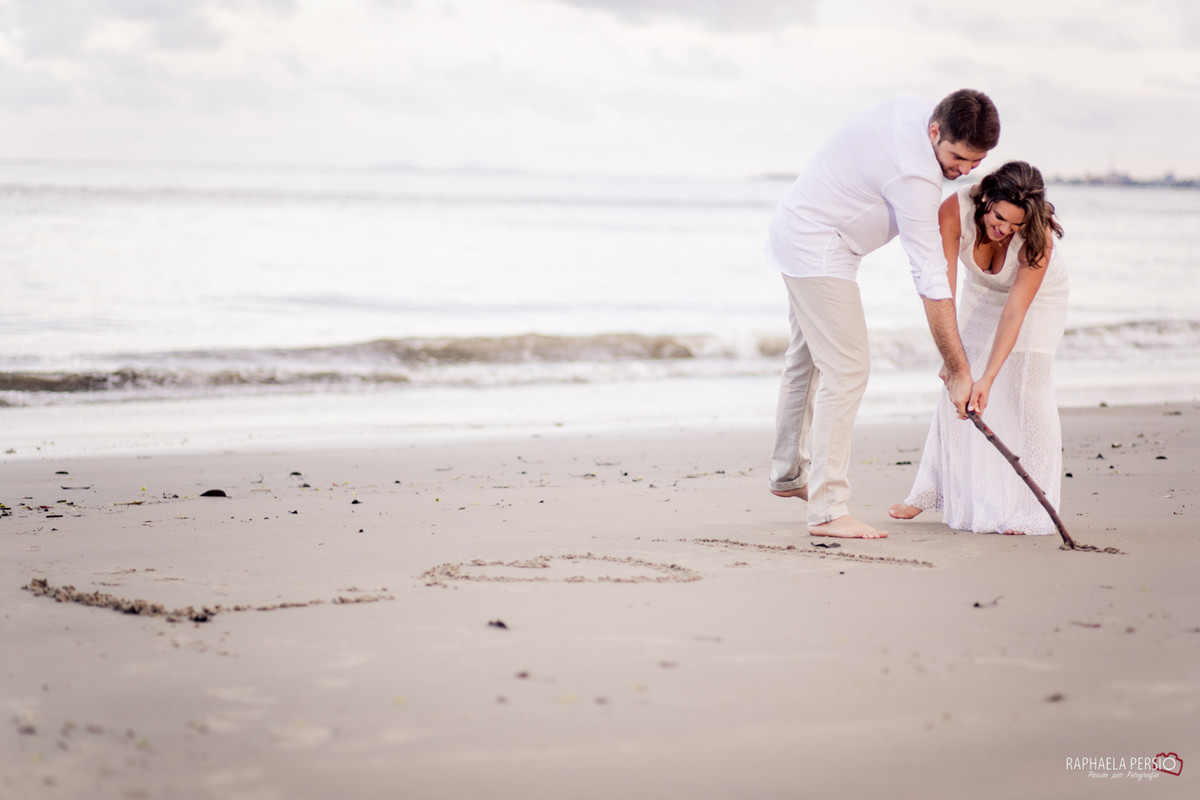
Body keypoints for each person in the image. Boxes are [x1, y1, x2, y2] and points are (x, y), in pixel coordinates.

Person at [765, 89, 1000, 539]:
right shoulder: (915, 175)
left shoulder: (924, 113)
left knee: (808, 358)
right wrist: (957, 369)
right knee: (848, 369)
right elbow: (931, 278)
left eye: (975, 162)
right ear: (935, 131)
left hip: (802, 231)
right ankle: (828, 510)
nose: (965, 171)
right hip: (817, 247)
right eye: (957, 157)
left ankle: (789, 473)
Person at [888, 161, 1068, 535]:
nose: (1003, 230)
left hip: (1037, 301)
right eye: (999, 217)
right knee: (956, 382)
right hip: (981, 293)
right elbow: (943, 291)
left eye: (1014, 225)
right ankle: (930, 490)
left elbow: (1015, 314)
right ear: (986, 197)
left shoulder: (1037, 239)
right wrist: (952, 360)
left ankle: (1028, 507)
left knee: (1024, 392)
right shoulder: (955, 212)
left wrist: (988, 377)